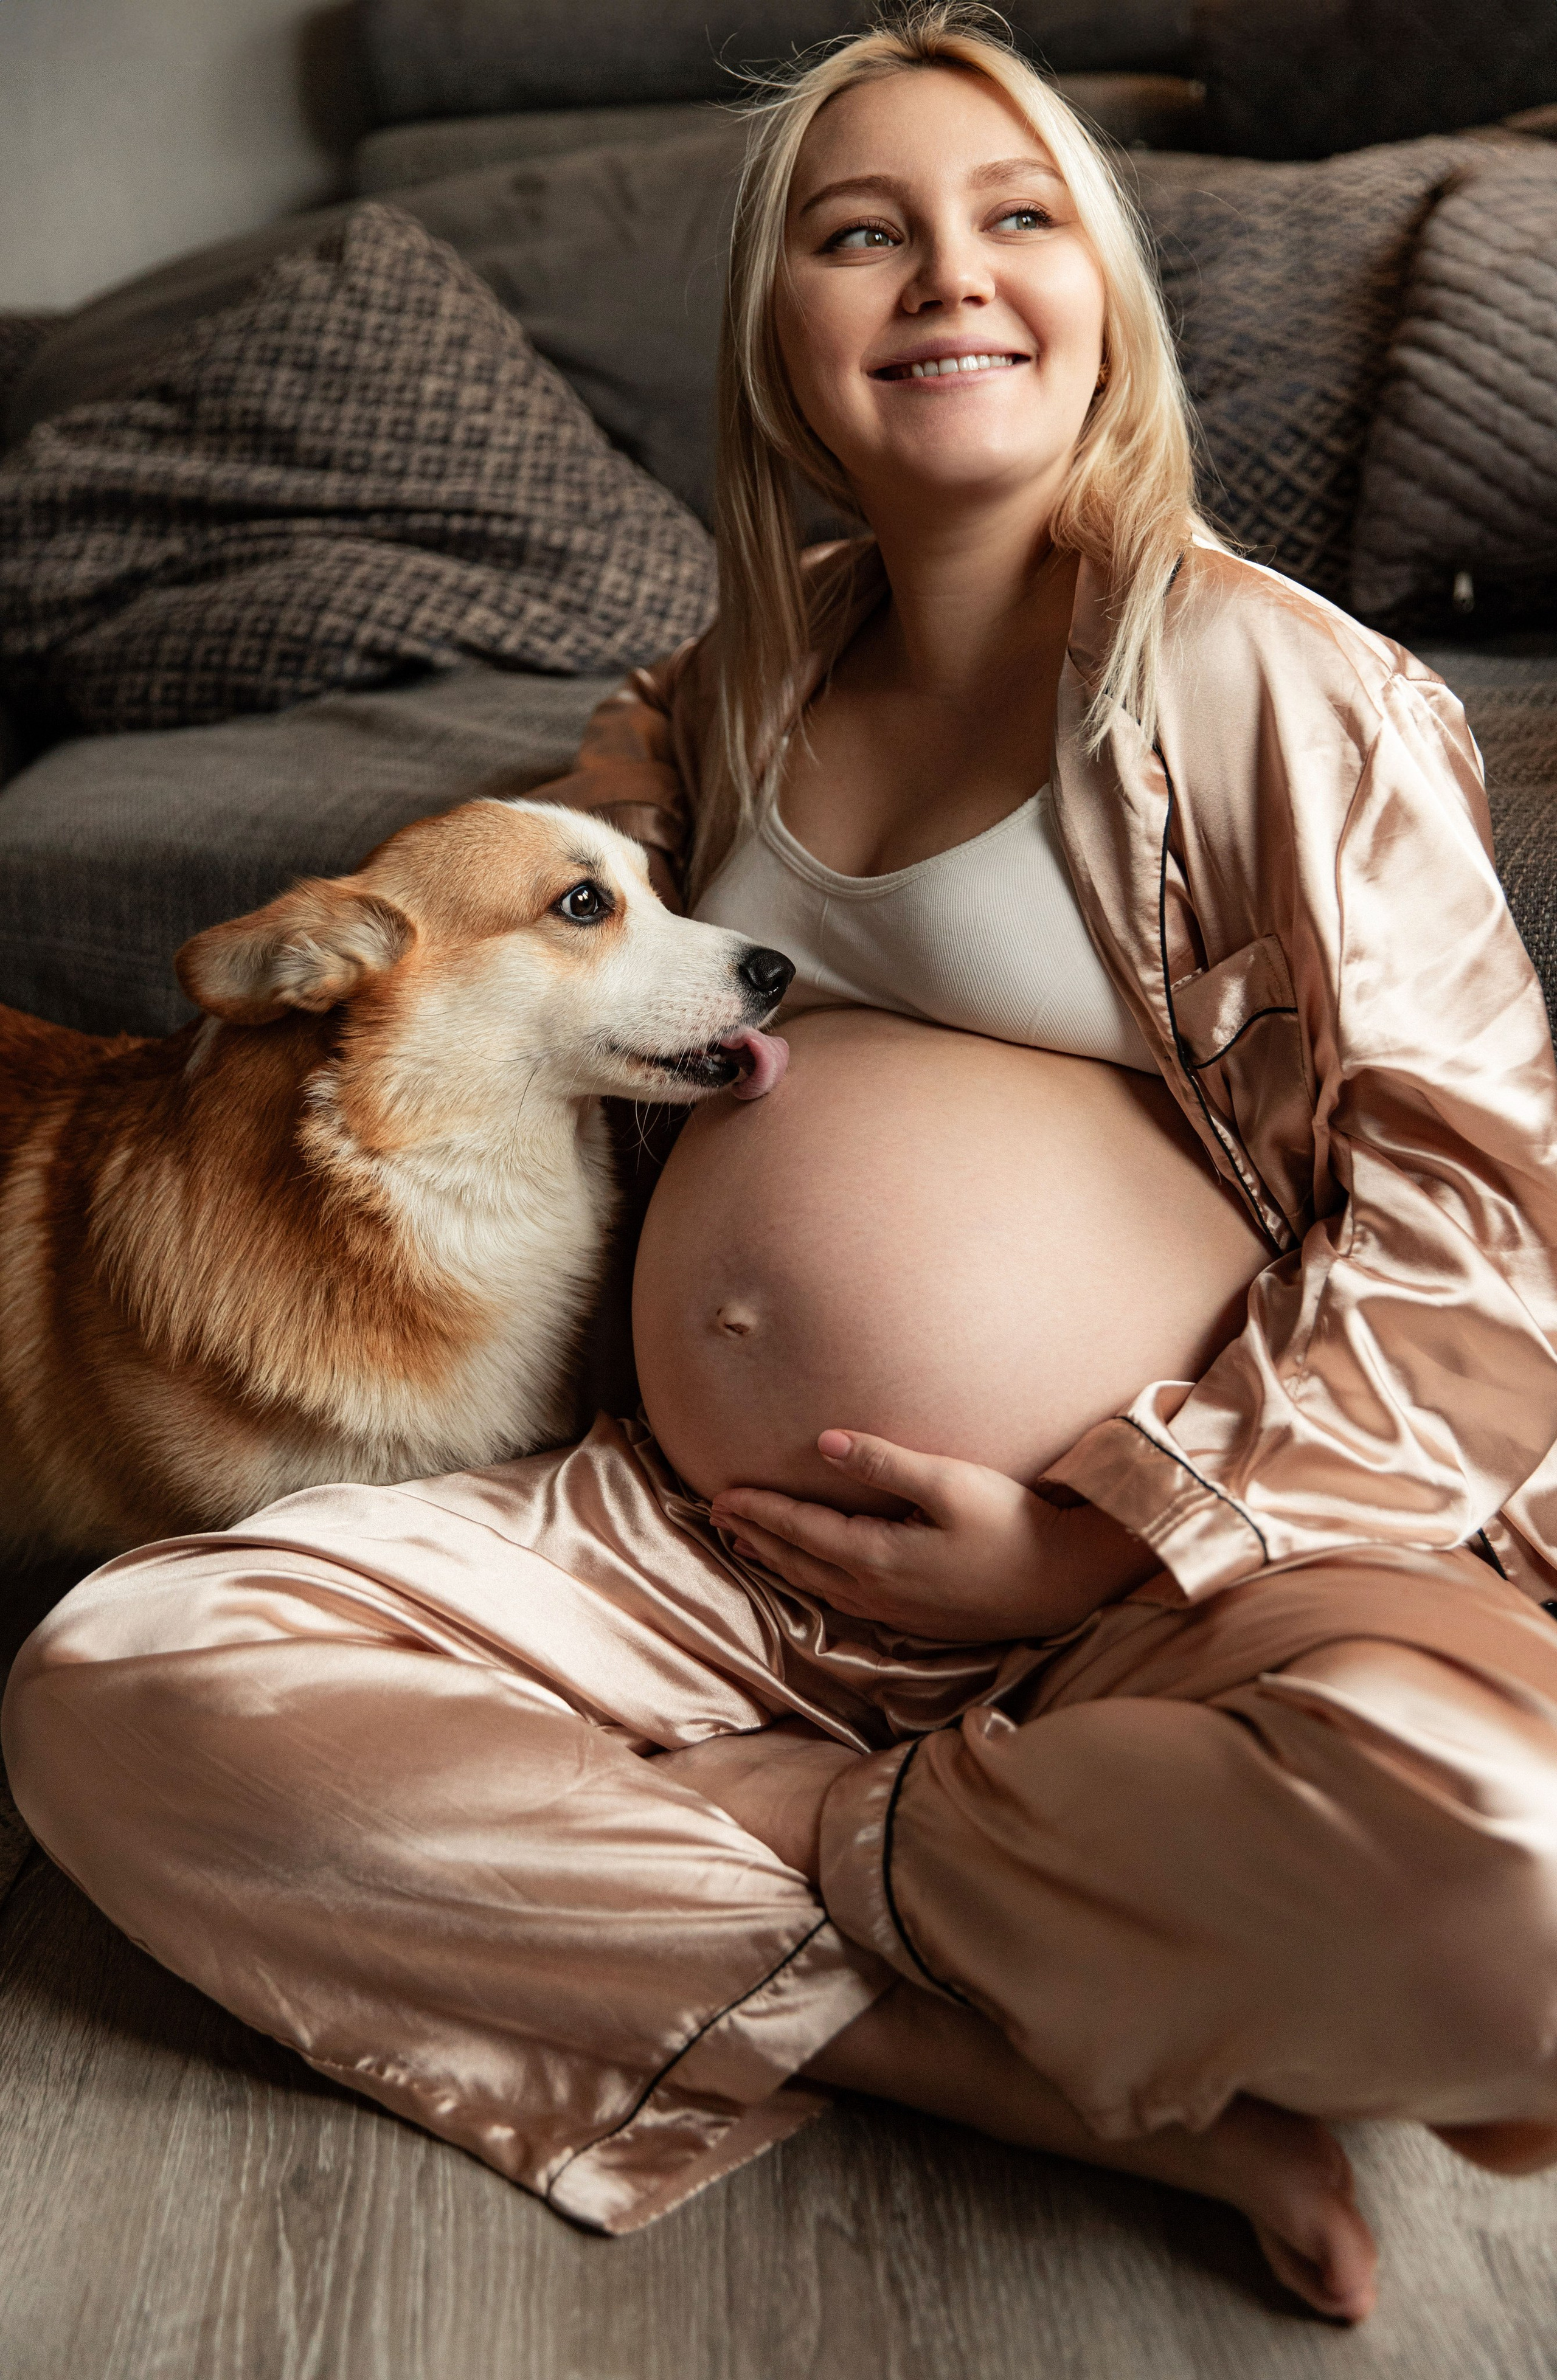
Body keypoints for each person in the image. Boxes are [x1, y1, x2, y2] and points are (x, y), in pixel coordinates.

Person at [10, 5, 1557, 2323]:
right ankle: (981, 2032)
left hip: (1168, 1566)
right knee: (125, 1680)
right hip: (698, 1555)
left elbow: (1482, 1220)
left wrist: (1091, 1525)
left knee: (1506, 1873)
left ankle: (760, 1852)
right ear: (779, 340)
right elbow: (485, 944)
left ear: (1103, 297)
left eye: (1017, 216)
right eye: (866, 233)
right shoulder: (733, 684)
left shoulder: (1261, 682)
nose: (951, 273)